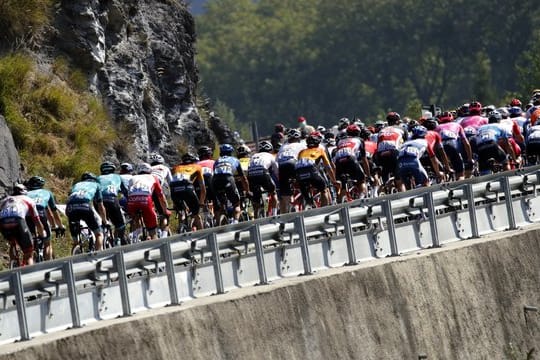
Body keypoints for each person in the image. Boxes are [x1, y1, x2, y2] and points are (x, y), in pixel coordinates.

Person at [0, 184, 46, 266]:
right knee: (29, 253)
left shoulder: (5, 200)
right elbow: (37, 221)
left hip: (3, 222)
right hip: (18, 220)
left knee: (12, 243)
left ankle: (13, 262)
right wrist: (42, 233)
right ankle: (31, 274)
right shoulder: (28, 200)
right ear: (25, 192)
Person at [127, 163, 171, 239]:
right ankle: (154, 240)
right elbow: (161, 197)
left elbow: (129, 192)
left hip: (132, 201)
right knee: (152, 230)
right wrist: (165, 210)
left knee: (135, 217)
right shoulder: (153, 177)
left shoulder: (132, 178)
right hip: (146, 200)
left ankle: (135, 235)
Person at [25, 175, 65, 260]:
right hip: (40, 214)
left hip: (26, 216)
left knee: (32, 239)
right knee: (47, 243)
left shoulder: (25, 193)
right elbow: (53, 213)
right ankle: (48, 265)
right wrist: (56, 226)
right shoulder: (46, 193)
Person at [65, 172, 108, 251]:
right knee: (99, 234)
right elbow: (101, 206)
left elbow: (70, 199)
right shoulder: (96, 185)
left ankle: (75, 248)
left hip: (70, 208)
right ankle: (98, 256)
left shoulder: (76, 185)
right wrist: (105, 221)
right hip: (84, 206)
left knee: (75, 241)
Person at [295, 132, 338, 207]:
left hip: (299, 173)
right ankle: (324, 210)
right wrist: (334, 180)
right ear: (318, 144)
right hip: (311, 170)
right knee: (324, 190)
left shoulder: (301, 152)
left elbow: (300, 164)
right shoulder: (320, 150)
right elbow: (328, 167)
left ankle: (309, 203)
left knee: (305, 193)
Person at [212, 144, 249, 224]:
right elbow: (243, 178)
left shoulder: (217, 161)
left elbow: (215, 173)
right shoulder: (235, 160)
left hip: (215, 181)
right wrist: (247, 191)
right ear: (231, 152)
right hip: (228, 179)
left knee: (222, 204)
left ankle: (222, 221)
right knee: (236, 204)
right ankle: (235, 222)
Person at [333, 124, 371, 199]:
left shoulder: (340, 141)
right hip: (350, 158)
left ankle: (342, 201)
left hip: (338, 161)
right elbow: (364, 159)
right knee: (361, 180)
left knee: (343, 185)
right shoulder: (360, 140)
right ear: (358, 133)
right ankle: (362, 198)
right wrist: (368, 175)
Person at [170, 153, 206, 231]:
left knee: (181, 211)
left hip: (174, 190)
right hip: (187, 188)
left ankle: (181, 227)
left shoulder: (175, 167)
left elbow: (172, 182)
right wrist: (201, 202)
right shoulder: (197, 167)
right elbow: (202, 187)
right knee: (196, 214)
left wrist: (174, 204)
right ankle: (203, 234)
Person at [98, 161, 129, 245]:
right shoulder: (117, 177)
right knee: (120, 224)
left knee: (104, 221)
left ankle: (104, 235)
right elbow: (125, 191)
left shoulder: (98, 178)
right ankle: (121, 240)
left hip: (98, 202)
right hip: (112, 199)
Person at [276, 128, 306, 213]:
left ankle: (289, 204)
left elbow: (276, 160)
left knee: (285, 190)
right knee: (303, 181)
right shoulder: (301, 145)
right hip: (292, 163)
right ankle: (305, 198)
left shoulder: (283, 146)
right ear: (298, 138)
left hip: (281, 166)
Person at [435, 111, 472, 180]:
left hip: (440, 148)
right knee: (460, 173)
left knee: (443, 172)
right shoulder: (457, 125)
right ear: (452, 118)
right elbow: (466, 143)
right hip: (452, 145)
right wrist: (469, 159)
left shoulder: (437, 128)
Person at [247, 140, 279, 218]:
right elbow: (277, 170)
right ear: (270, 150)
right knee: (273, 193)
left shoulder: (253, 156)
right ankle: (274, 214)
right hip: (262, 172)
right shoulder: (270, 156)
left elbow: (249, 167)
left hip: (251, 175)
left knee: (256, 199)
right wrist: (279, 180)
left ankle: (256, 217)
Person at [148, 153, 172, 237]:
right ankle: (164, 236)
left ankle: (153, 230)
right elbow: (171, 183)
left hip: (146, 191)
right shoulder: (165, 168)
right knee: (164, 214)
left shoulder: (149, 168)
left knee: (150, 211)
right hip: (157, 190)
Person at [197, 146, 216, 215]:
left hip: (198, 184)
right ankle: (215, 216)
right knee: (215, 200)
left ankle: (206, 216)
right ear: (209, 154)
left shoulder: (196, 164)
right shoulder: (213, 162)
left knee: (203, 200)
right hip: (210, 181)